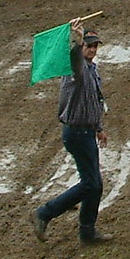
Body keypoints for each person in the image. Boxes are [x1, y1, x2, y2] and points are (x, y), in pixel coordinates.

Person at [32, 22, 109, 244]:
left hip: (86, 132)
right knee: (91, 184)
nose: (92, 50)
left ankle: (87, 231)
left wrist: (98, 128)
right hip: (76, 134)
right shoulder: (76, 69)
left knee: (95, 184)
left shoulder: (92, 69)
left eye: (95, 46)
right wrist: (76, 41)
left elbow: (93, 100)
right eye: (88, 46)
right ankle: (44, 213)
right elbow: (75, 62)